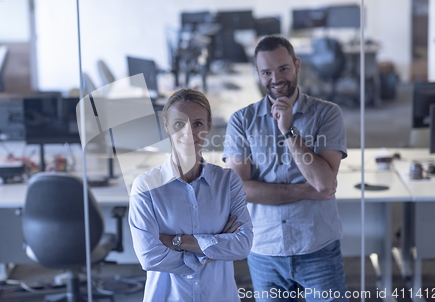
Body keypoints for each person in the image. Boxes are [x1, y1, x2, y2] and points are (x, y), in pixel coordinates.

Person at [223, 35, 348, 302]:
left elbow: (325, 183)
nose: (276, 78)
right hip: (265, 251)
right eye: (266, 72)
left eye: (283, 68)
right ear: (258, 74)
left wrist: (288, 130)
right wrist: (306, 190)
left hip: (317, 246)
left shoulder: (327, 114)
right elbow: (240, 190)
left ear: (297, 65)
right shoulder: (242, 121)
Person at [129, 88, 253, 302]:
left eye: (197, 124)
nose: (189, 133)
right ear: (166, 125)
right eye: (179, 124)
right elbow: (149, 257)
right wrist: (214, 246)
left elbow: (242, 245)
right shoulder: (147, 186)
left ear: (208, 126)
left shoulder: (227, 182)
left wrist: (175, 241)